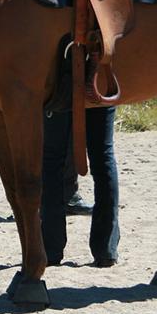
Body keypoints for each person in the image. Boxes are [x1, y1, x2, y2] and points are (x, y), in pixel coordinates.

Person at [40, 104, 120, 268]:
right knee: (103, 155)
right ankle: (106, 249)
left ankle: (50, 248)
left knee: (52, 159)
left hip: (59, 86)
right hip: (99, 84)